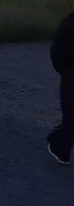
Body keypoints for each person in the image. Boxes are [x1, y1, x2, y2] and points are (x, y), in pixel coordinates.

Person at [48, 12, 74, 166]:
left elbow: (57, 50)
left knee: (70, 113)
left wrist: (64, 71)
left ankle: (61, 146)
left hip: (71, 75)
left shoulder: (70, 22)